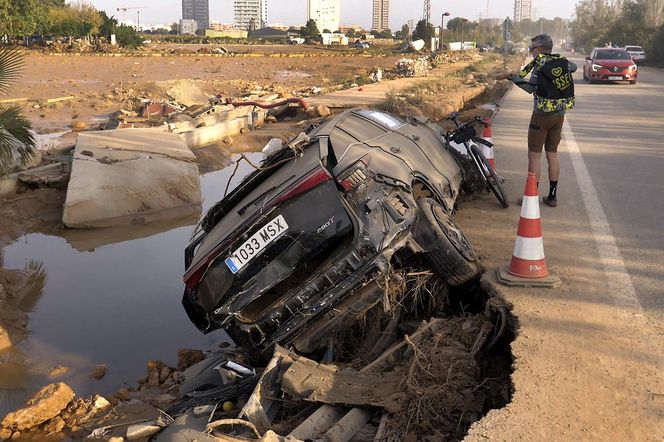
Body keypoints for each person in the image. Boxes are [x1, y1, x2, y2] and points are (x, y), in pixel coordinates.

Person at [506, 34, 576, 207]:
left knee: (534, 156)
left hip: (541, 116)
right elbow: (573, 67)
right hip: (559, 116)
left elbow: (530, 89)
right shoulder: (563, 62)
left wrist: (514, 78)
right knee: (552, 154)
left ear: (540, 49)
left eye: (532, 49)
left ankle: (531, 198)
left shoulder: (539, 66)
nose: (531, 52)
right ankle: (552, 197)